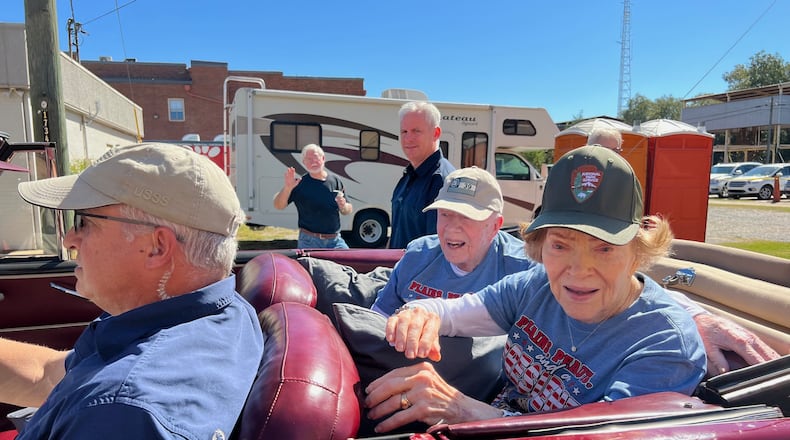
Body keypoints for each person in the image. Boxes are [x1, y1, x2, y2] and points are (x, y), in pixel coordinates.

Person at [365, 145, 708, 433]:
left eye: (604, 248)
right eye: (561, 245)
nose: (578, 270)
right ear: (540, 246)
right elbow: (452, 313)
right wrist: (420, 313)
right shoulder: (536, 285)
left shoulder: (664, 343)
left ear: (638, 251)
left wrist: (462, 410)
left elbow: (597, 437)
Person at [3, 143, 264, 439]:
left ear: (157, 247)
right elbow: (48, 374)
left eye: (83, 222)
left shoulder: (119, 412)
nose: (69, 240)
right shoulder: (222, 313)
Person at [389, 101, 455, 249]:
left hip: (420, 272)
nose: (408, 138)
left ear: (436, 133)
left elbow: (437, 249)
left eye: (416, 131)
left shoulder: (443, 181)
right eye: (404, 132)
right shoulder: (408, 176)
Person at [273, 143, 352, 249]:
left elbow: (347, 209)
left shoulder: (335, 180)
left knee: (349, 263)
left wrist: (343, 206)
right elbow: (278, 205)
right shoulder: (299, 184)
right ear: (304, 162)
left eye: (316, 158)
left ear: (323, 158)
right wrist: (287, 188)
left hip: (335, 241)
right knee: (308, 266)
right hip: (309, 241)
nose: (313, 162)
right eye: (308, 159)